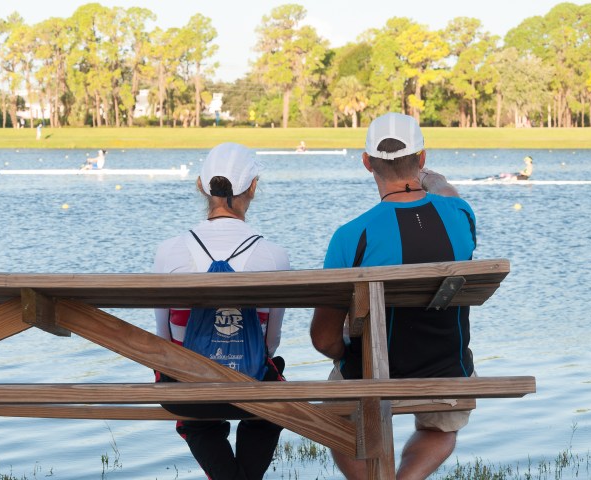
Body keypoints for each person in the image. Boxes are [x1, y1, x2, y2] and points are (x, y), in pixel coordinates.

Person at [310, 112, 477, 480]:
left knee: (334, 420)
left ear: (367, 162)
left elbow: (322, 339)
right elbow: (449, 197)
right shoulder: (461, 215)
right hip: (447, 368)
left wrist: (345, 350)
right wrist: (435, 181)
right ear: (422, 158)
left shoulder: (352, 235)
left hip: (369, 370)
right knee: (441, 429)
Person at [153, 142, 290, 480]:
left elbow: (164, 338)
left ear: (201, 185)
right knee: (273, 396)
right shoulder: (274, 255)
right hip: (251, 387)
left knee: (198, 421)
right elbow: (270, 343)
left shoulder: (168, 251)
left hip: (188, 393)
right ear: (253, 187)